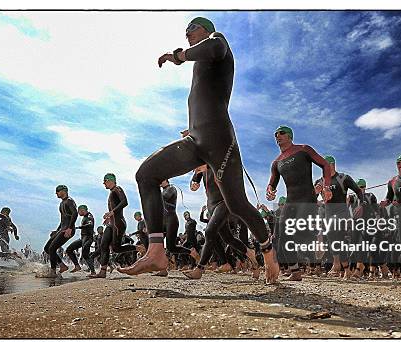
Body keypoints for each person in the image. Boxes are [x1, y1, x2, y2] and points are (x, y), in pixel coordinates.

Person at [118, 17, 280, 283]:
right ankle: (156, 251)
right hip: (196, 141)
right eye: (185, 30)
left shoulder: (218, 41)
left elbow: (215, 49)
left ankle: (268, 252)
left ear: (205, 28)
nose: (187, 33)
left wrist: (178, 56)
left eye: (192, 28)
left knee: (237, 203)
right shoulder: (200, 63)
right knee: (146, 174)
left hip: (219, 139)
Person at [266, 125, 332, 281]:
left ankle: (318, 243)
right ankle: (295, 271)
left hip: (307, 198)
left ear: (289, 136)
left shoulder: (303, 149)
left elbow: (325, 165)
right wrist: (270, 190)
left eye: (281, 133)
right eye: (276, 134)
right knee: (281, 235)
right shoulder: (276, 162)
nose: (278, 136)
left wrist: (327, 186)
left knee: (300, 234)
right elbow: (272, 183)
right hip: (291, 201)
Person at [184, 164, 260, 279]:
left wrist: (208, 166)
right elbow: (194, 181)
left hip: (224, 200)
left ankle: (199, 268)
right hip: (211, 204)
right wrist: (194, 184)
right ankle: (249, 252)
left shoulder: (217, 158)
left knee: (209, 232)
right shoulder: (200, 163)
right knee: (228, 238)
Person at [314, 155, 363, 278]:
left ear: (333, 165)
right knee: (332, 239)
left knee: (338, 237)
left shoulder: (343, 178)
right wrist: (315, 192)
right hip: (329, 213)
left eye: (327, 165)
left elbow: (358, 191)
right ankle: (344, 268)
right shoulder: (319, 182)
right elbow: (312, 199)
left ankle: (338, 265)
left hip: (342, 212)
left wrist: (360, 205)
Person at [90, 173, 138, 278]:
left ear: (110, 180)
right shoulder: (112, 192)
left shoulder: (117, 189)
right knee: (103, 245)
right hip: (112, 223)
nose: (104, 183)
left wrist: (112, 212)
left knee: (116, 248)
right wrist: (109, 217)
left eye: (105, 181)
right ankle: (103, 271)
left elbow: (125, 202)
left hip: (119, 223)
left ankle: (137, 248)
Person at [42, 185, 78, 277]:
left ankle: (53, 271)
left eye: (58, 191)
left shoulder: (69, 201)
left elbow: (75, 213)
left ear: (64, 191)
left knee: (52, 248)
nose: (56, 193)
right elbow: (63, 219)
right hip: (62, 229)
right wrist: (57, 230)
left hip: (68, 229)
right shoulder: (62, 203)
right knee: (47, 248)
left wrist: (69, 228)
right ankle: (62, 266)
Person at [65, 205, 96, 274]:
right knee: (69, 249)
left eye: (78, 212)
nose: (78, 214)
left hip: (88, 238)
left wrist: (78, 227)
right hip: (83, 238)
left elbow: (90, 224)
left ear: (82, 210)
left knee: (85, 255)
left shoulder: (89, 216)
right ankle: (77, 266)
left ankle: (93, 272)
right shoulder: (85, 217)